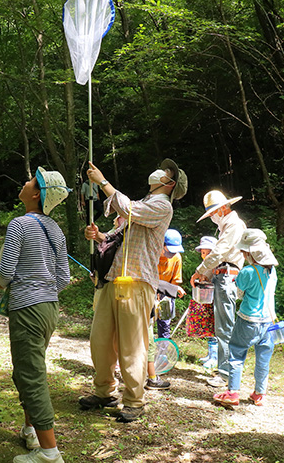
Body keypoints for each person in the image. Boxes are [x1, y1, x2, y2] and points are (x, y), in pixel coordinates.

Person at [79, 158, 188, 422]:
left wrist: (102, 181)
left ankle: (134, 401)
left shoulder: (162, 206)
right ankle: (104, 392)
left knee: (132, 345)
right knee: (100, 341)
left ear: (170, 183)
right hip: (112, 279)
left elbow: (126, 207)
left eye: (166, 172)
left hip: (137, 282)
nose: (159, 172)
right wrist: (99, 236)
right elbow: (117, 236)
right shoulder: (143, 204)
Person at [0, 167, 71, 463]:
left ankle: (49, 453)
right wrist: (43, 287)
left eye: (30, 181)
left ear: (37, 193)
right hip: (49, 308)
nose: (24, 183)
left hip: (26, 308)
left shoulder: (19, 225)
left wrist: (2, 282)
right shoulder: (56, 229)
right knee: (27, 370)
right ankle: (30, 431)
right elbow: (63, 277)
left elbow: (6, 273)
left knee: (31, 375)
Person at [213, 229, 278, 408]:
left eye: (244, 251)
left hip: (248, 320)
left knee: (236, 353)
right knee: (263, 358)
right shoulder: (273, 272)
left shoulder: (248, 271)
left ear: (250, 253)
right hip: (268, 321)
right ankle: (259, 393)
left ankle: (233, 392)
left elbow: (240, 293)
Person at [190, 191, 246, 387]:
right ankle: (227, 370)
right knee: (222, 326)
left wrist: (200, 270)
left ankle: (226, 373)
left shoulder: (233, 225)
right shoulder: (227, 225)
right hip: (222, 276)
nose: (213, 216)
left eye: (214, 211)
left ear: (223, 208)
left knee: (225, 327)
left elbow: (220, 252)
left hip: (227, 277)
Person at [145, 229, 186, 391]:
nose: (171, 254)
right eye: (169, 250)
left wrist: (173, 290)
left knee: (164, 325)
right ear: (161, 245)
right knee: (148, 325)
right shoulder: (151, 255)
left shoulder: (176, 258)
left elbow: (176, 280)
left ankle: (161, 355)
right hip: (149, 293)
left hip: (167, 296)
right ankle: (146, 357)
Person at [188, 236, 218, 368]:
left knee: (215, 328)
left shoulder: (217, 266)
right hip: (205, 301)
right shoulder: (203, 267)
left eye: (208, 253)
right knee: (208, 329)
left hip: (214, 301)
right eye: (203, 253)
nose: (205, 256)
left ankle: (215, 356)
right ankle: (210, 354)